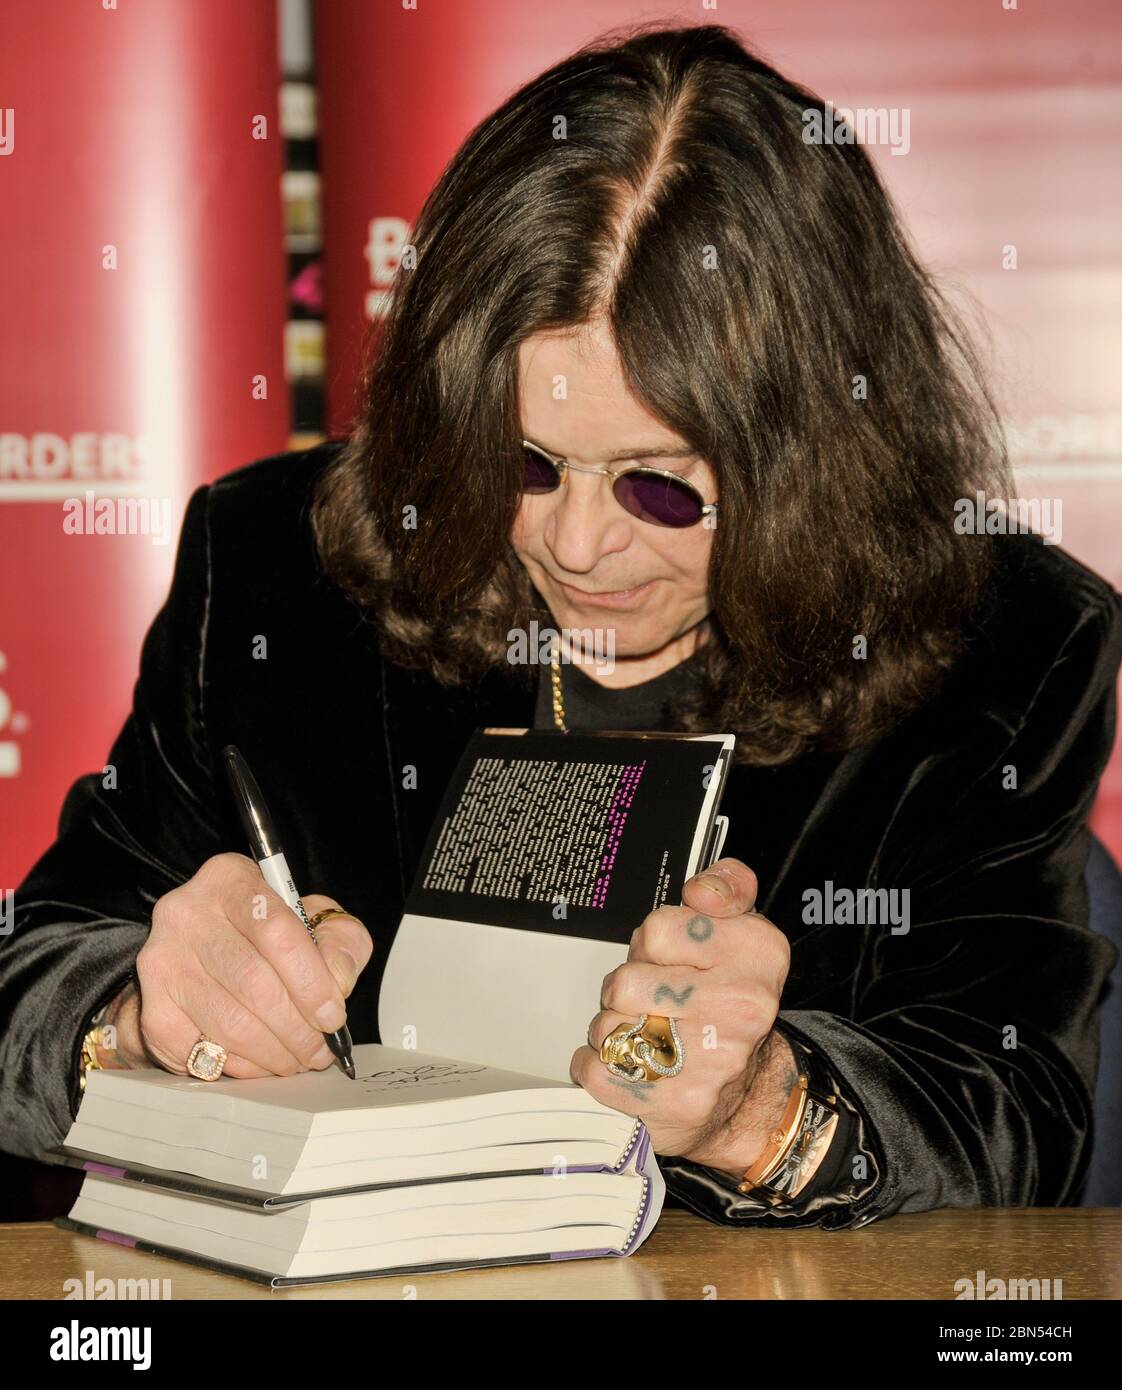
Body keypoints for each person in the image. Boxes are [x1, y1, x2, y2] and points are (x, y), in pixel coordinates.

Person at [4, 22, 1121, 1229]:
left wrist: (763, 1110)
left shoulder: (999, 644)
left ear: (813, 466)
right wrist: (134, 1010)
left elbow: (1015, 1120)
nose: (578, 545)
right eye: (522, 464)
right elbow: (31, 974)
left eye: (660, 486)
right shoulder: (278, 572)